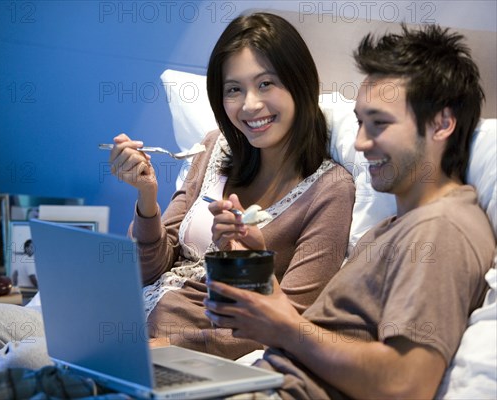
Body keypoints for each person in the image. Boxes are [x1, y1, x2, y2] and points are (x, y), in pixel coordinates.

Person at [203, 24, 496, 398]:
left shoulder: (439, 229)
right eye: (360, 123)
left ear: (442, 124)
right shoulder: (396, 227)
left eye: (380, 124)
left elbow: (407, 384)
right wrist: (256, 258)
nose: (359, 143)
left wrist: (287, 328)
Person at [108, 12, 355, 360]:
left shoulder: (330, 191)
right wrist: (146, 198)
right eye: (234, 89)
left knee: (21, 366)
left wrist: (169, 348)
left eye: (266, 83)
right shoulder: (214, 147)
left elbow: (293, 322)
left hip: (170, 354)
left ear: (299, 83)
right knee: (4, 331)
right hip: (115, 320)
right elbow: (149, 271)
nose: (250, 104)